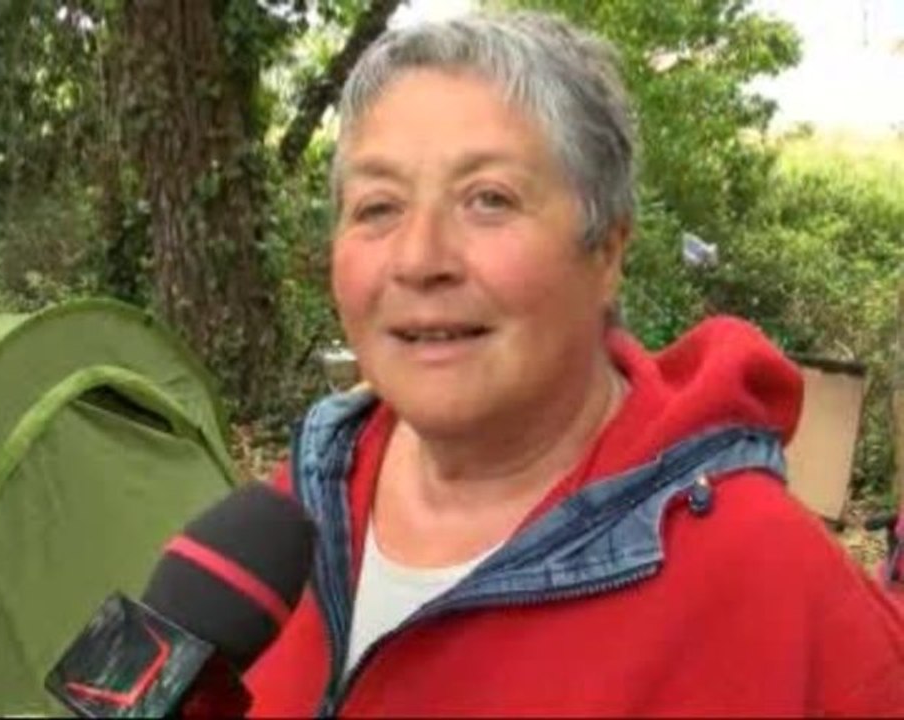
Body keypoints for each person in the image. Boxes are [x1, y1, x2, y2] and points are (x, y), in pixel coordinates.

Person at [243, 10, 904, 717]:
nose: (418, 258)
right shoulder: (296, 510)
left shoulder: (768, 582)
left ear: (607, 252)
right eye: (377, 206)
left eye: (487, 200)